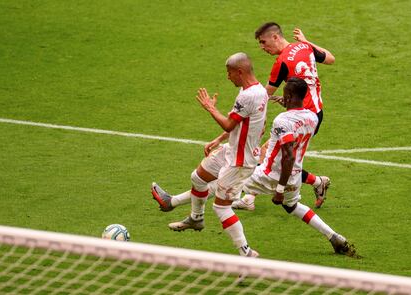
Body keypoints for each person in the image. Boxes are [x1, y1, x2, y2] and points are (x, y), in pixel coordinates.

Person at [152, 52, 268, 257]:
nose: (227, 77)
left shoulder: (247, 95)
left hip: (240, 161)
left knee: (222, 208)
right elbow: (241, 123)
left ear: (239, 72)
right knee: (198, 177)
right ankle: (196, 218)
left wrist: (210, 108)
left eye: (229, 73)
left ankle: (247, 254)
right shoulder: (257, 90)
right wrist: (218, 140)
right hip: (231, 150)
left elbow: (229, 123)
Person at [240, 77, 356, 256]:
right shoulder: (312, 118)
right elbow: (297, 121)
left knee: (224, 181)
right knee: (291, 206)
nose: (283, 97)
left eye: (285, 94)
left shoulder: (282, 121)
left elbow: (288, 156)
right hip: (294, 177)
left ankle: (194, 214)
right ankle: (334, 236)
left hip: (270, 175)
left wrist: (279, 190)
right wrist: (288, 107)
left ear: (290, 95)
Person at [233, 23, 335, 210]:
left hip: (301, 119)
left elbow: (263, 96)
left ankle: (249, 198)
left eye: (263, 42)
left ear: (275, 37)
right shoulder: (305, 47)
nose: (262, 47)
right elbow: (330, 59)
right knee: (277, 160)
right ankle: (317, 182)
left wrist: (248, 103)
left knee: (271, 158)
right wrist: (307, 42)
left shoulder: (281, 62)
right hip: (315, 114)